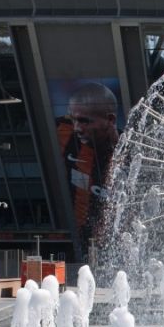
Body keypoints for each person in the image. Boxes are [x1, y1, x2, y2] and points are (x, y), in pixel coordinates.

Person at [56, 82, 120, 259]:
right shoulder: (61, 133)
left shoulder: (132, 155)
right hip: (73, 238)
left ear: (111, 120)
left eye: (85, 121)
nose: (77, 128)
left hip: (111, 245)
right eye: (73, 119)